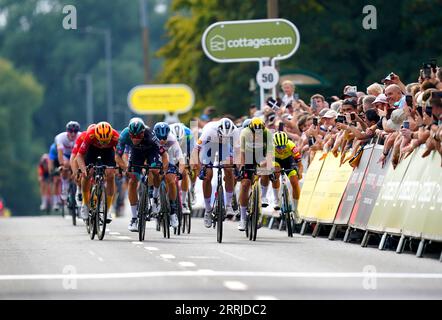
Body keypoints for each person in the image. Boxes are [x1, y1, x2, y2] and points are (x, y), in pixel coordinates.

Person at [115, 118, 167, 231]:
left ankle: (155, 199)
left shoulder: (151, 136)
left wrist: (164, 169)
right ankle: (134, 218)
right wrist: (125, 169)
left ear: (143, 133)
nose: (135, 139)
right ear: (129, 134)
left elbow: (164, 155)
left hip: (151, 151)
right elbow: (117, 157)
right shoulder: (124, 135)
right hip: (136, 153)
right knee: (133, 180)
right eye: (132, 136)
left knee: (155, 171)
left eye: (138, 136)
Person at [191, 118, 236, 228]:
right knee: (207, 175)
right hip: (209, 145)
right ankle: (208, 210)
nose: (224, 138)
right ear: (218, 131)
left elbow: (239, 151)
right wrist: (197, 165)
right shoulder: (209, 131)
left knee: (229, 169)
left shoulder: (235, 132)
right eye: (222, 136)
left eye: (227, 137)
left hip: (225, 147)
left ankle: (229, 204)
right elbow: (196, 150)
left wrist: (237, 167)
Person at [77, 121, 119, 223]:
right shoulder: (90, 135)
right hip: (92, 150)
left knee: (110, 175)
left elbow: (120, 155)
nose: (103, 144)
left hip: (108, 152)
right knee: (87, 174)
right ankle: (85, 204)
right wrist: (84, 170)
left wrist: (117, 167)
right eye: (101, 141)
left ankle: (108, 209)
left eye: (106, 141)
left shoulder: (116, 136)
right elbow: (79, 156)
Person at [237, 117, 273, 231]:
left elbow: (269, 154)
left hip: (261, 155)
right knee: (245, 184)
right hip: (247, 156)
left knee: (266, 168)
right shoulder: (244, 133)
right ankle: (242, 218)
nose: (257, 135)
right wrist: (242, 167)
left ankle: (263, 196)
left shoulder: (268, 134)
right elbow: (241, 154)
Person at [153, 122, 184, 228]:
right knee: (153, 173)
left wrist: (180, 172)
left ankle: (173, 211)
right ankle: (153, 197)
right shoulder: (151, 139)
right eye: (159, 138)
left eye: (164, 138)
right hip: (154, 160)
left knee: (171, 180)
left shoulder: (172, 139)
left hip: (169, 160)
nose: (162, 141)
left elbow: (180, 158)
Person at [271, 131, 303, 223]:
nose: (281, 149)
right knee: (275, 173)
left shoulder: (291, 146)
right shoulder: (270, 147)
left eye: (283, 146)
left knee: (294, 182)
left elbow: (300, 164)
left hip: (289, 161)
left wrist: (300, 173)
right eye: (278, 147)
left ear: (286, 143)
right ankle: (276, 199)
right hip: (276, 160)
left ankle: (295, 209)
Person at [170, 123, 197, 213]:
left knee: (185, 172)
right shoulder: (167, 133)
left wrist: (190, 165)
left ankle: (185, 201)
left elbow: (193, 153)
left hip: (185, 149)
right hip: (170, 148)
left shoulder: (189, 134)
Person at [54, 121, 81, 202]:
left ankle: (79, 190)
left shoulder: (81, 136)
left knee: (79, 171)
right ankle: (65, 187)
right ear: (67, 131)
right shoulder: (60, 137)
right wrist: (61, 164)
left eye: (75, 131)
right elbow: (60, 153)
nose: (73, 134)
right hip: (65, 156)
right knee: (65, 165)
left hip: (76, 155)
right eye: (71, 131)